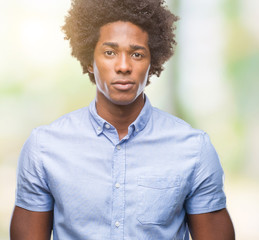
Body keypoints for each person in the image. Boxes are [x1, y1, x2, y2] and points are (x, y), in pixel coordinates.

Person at [10, 0, 235, 239]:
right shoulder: (45, 148)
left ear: (153, 62)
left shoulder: (193, 149)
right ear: (89, 60)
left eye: (137, 54)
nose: (124, 66)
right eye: (110, 52)